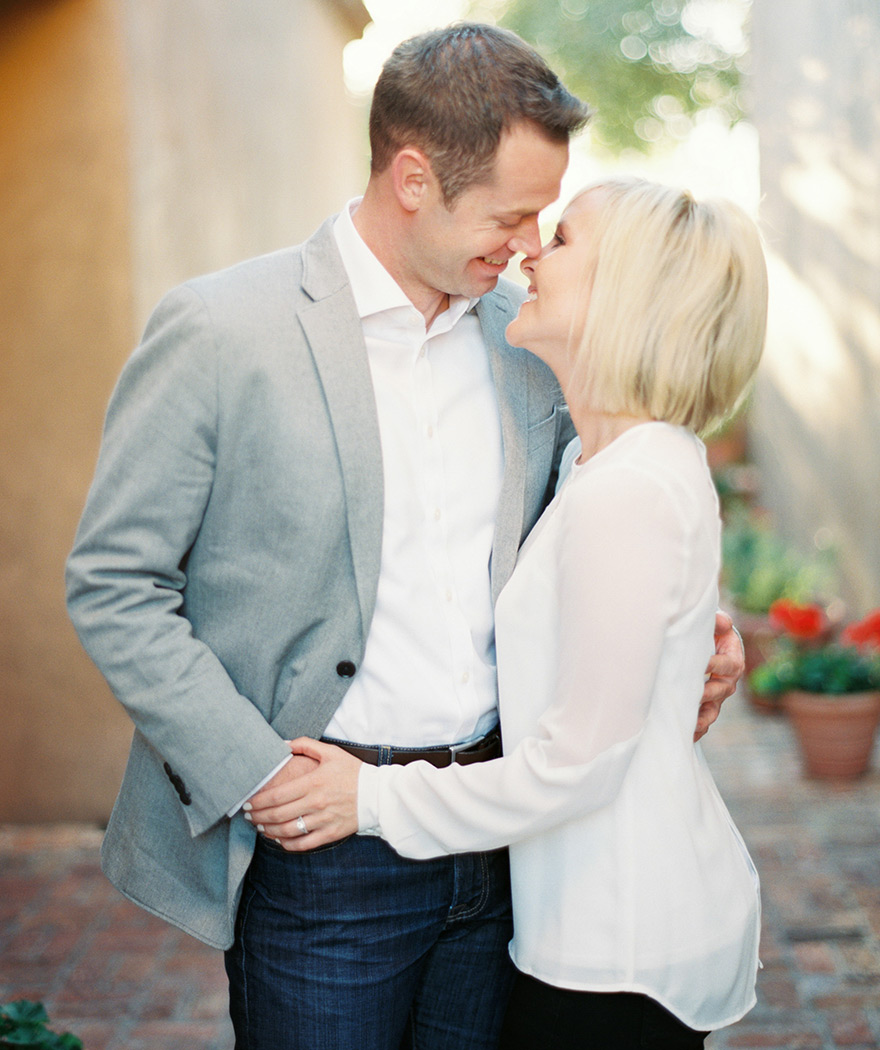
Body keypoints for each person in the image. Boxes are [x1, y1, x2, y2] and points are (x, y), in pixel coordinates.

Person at [65, 22, 744, 1050]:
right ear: (415, 178)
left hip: (509, 850)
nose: (525, 244)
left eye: (544, 222)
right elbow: (115, 584)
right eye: (511, 214)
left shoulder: (532, 348)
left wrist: (703, 622)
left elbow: (625, 496)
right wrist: (259, 774)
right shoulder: (221, 331)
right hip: (325, 854)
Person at [250, 177, 768, 1048]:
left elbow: (576, 765)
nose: (531, 251)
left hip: (618, 951)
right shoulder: (610, 462)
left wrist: (368, 796)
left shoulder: (627, 487)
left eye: (563, 241)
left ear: (629, 295)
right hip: (605, 918)